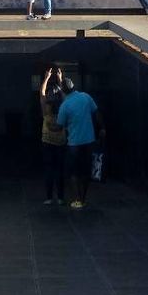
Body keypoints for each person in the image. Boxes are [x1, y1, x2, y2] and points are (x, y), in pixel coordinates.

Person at [56, 78, 105, 210]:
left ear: (63, 91)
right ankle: (83, 198)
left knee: (73, 172)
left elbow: (59, 125)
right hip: (89, 141)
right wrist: (102, 128)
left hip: (74, 144)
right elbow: (97, 112)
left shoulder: (65, 106)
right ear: (73, 87)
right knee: (85, 171)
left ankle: (77, 199)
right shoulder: (85, 97)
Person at [39, 65, 65, 204]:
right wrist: (60, 80)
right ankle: (60, 197)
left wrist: (46, 77)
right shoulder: (63, 107)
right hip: (60, 142)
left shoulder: (46, 109)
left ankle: (49, 197)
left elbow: (41, 93)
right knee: (60, 170)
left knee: (49, 169)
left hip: (47, 141)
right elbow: (64, 94)